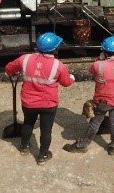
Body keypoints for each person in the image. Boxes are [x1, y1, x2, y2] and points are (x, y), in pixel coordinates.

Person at [5, 32, 75, 165]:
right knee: (46, 130)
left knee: (28, 123)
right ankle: (42, 156)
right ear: (55, 49)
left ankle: (24, 147)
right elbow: (66, 82)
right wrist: (72, 78)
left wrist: (13, 73)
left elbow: (9, 68)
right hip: (48, 104)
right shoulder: (58, 65)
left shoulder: (25, 58)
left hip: (28, 102)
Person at [63, 36, 114, 156]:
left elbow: (91, 71)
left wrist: (100, 58)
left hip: (103, 101)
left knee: (95, 122)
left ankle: (82, 145)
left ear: (104, 51)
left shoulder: (98, 64)